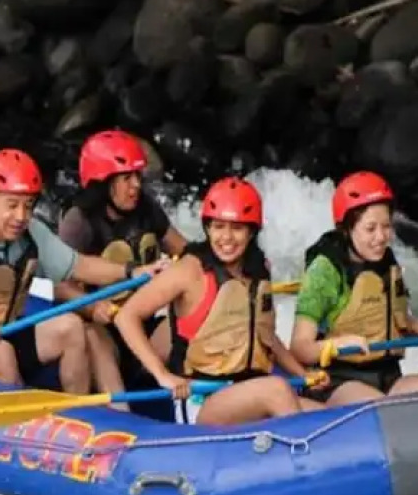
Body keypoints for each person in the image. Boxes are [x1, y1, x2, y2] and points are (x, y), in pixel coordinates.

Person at [0, 148, 168, 392]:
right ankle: (16, 417)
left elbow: (80, 266)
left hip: (2, 332)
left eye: (28, 205)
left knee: (71, 327)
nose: (20, 216)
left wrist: (133, 272)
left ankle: (76, 412)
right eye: (12, 205)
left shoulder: (31, 233)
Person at [113, 176, 329, 427]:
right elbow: (126, 316)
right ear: (207, 228)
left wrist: (303, 375)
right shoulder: (189, 270)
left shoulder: (259, 269)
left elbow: (265, 336)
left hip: (251, 392)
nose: (226, 237)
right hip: (202, 401)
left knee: (326, 415)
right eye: (218, 227)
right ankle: (298, 453)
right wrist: (162, 375)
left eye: (237, 228)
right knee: (277, 390)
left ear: (251, 231)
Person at [288, 170, 418, 406]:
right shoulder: (325, 270)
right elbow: (299, 348)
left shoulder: (386, 264)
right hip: (338, 381)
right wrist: (334, 345)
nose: (380, 237)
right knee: (382, 407)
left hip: (388, 377)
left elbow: (397, 320)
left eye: (386, 226)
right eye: (370, 228)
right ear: (347, 229)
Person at [54, 129, 188, 401]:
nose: (136, 185)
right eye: (126, 178)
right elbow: (60, 287)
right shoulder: (79, 221)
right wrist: (93, 308)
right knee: (91, 335)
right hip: (103, 330)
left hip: (142, 326)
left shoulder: (146, 209)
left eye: (137, 176)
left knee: (188, 323)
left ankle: (200, 403)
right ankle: (118, 411)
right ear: (103, 183)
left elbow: (185, 253)